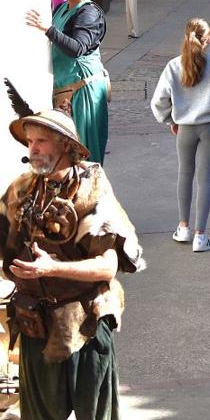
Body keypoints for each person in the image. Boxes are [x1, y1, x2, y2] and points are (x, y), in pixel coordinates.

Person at [1, 108, 143, 420]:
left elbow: (107, 267)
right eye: (29, 141)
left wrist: (50, 268)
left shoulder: (92, 190)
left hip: (84, 325)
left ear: (65, 145)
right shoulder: (21, 190)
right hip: (33, 323)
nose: (33, 149)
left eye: (41, 141)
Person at [151, 18, 210, 253]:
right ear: (208, 38)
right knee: (206, 179)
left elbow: (159, 100)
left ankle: (183, 227)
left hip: (185, 127)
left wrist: (170, 119)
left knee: (185, 173)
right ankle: (201, 235)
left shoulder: (174, 66)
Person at [24, 0, 110, 164]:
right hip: (65, 90)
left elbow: (76, 48)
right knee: (65, 151)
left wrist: (48, 29)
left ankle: (90, 193)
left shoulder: (88, 13)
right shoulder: (62, 8)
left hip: (83, 90)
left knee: (84, 150)